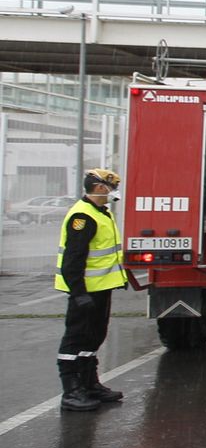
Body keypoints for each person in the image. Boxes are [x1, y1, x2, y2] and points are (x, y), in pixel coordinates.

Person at [54, 168, 130, 412]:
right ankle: (71, 392)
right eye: (111, 187)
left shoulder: (101, 213)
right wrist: (78, 293)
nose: (113, 192)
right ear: (99, 188)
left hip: (100, 288)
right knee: (75, 338)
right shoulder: (83, 217)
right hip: (85, 291)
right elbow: (73, 260)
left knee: (94, 336)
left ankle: (89, 384)